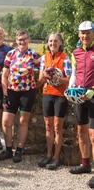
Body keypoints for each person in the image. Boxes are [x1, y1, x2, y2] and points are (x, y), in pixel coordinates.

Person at [0, 29, 40, 163]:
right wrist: (5, 95)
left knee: (23, 121)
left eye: (24, 39)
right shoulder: (11, 54)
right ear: (16, 41)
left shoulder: (34, 55)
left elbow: (43, 71)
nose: (22, 42)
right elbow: (4, 76)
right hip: (11, 92)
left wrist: (36, 85)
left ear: (29, 39)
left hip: (27, 92)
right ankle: (8, 149)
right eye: (20, 40)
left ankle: (19, 150)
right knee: (6, 121)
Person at [64, 21, 94, 189]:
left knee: (93, 135)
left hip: (93, 96)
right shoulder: (75, 52)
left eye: (88, 32)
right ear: (78, 35)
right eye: (82, 33)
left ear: (93, 33)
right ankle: (85, 164)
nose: (85, 36)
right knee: (81, 131)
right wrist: (70, 89)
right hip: (79, 96)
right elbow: (74, 75)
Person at [37, 33, 71, 170]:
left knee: (57, 127)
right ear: (47, 43)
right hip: (47, 94)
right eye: (50, 41)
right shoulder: (44, 58)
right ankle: (49, 155)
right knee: (48, 127)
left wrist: (57, 78)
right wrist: (43, 77)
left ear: (60, 43)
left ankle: (57, 158)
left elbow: (69, 80)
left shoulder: (65, 58)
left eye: (55, 41)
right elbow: (40, 79)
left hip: (60, 95)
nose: (53, 43)